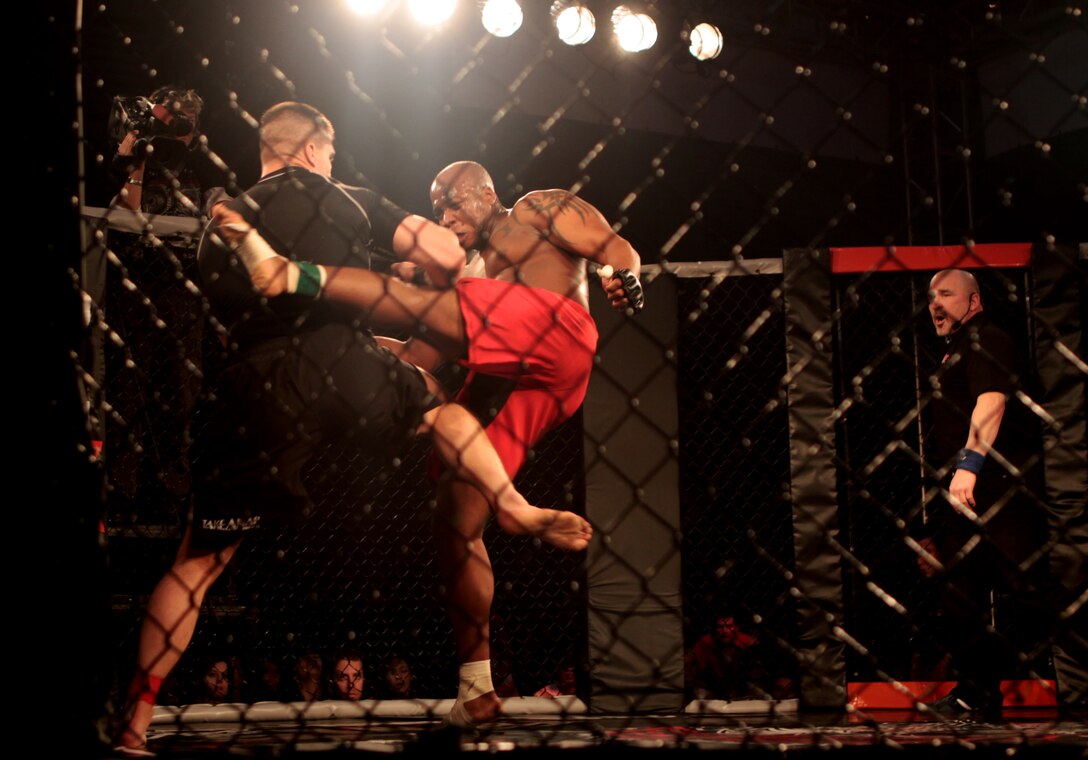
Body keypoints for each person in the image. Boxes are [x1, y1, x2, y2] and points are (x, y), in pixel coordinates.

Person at [114, 104, 563, 753]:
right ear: (318, 149)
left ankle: (132, 725)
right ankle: (511, 502)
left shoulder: (218, 225)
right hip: (347, 364)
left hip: (257, 384)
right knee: (441, 405)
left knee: (197, 565)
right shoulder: (344, 196)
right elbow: (442, 249)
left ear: (267, 152)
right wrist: (422, 275)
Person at [212, 159, 644, 725]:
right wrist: (343, 349)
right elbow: (420, 354)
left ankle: (291, 273)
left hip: (557, 334)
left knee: (412, 294)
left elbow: (616, 246)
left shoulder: (539, 208)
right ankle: (478, 689)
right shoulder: (462, 275)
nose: (446, 216)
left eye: (453, 203)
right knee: (455, 518)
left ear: (487, 193)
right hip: (510, 380)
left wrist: (624, 276)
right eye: (437, 207)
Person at [918, 269, 1053, 719]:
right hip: (969, 495)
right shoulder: (953, 350)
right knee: (959, 596)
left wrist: (969, 465)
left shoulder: (987, 339)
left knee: (1030, 593)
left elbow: (991, 402)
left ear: (973, 301)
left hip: (1001, 489)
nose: (935, 304)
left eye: (946, 295)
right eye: (931, 297)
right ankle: (975, 694)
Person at [103, 85, 229, 528]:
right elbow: (126, 211)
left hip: (182, 295)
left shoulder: (200, 170)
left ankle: (172, 494)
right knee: (126, 391)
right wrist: (138, 156)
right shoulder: (129, 159)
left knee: (181, 394)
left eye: (185, 126)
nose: (174, 133)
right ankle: (121, 492)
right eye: (169, 121)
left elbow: (224, 207)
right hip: (134, 287)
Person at [683, 615, 769, 702]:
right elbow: (697, 667)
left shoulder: (748, 642)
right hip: (713, 681)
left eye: (729, 626)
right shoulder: (706, 642)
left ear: (736, 628)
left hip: (742, 681)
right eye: (720, 627)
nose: (724, 631)